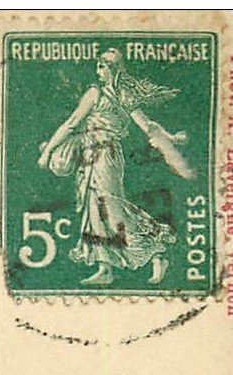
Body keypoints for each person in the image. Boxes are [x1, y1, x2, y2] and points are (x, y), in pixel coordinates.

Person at [36, 49, 190, 286]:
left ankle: (155, 253)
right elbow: (74, 124)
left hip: (105, 156)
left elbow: (72, 124)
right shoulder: (101, 92)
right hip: (92, 156)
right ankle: (105, 268)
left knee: (109, 208)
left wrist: (48, 152)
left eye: (104, 65)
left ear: (115, 68)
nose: (99, 69)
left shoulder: (108, 94)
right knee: (94, 210)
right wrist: (171, 137)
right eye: (99, 65)